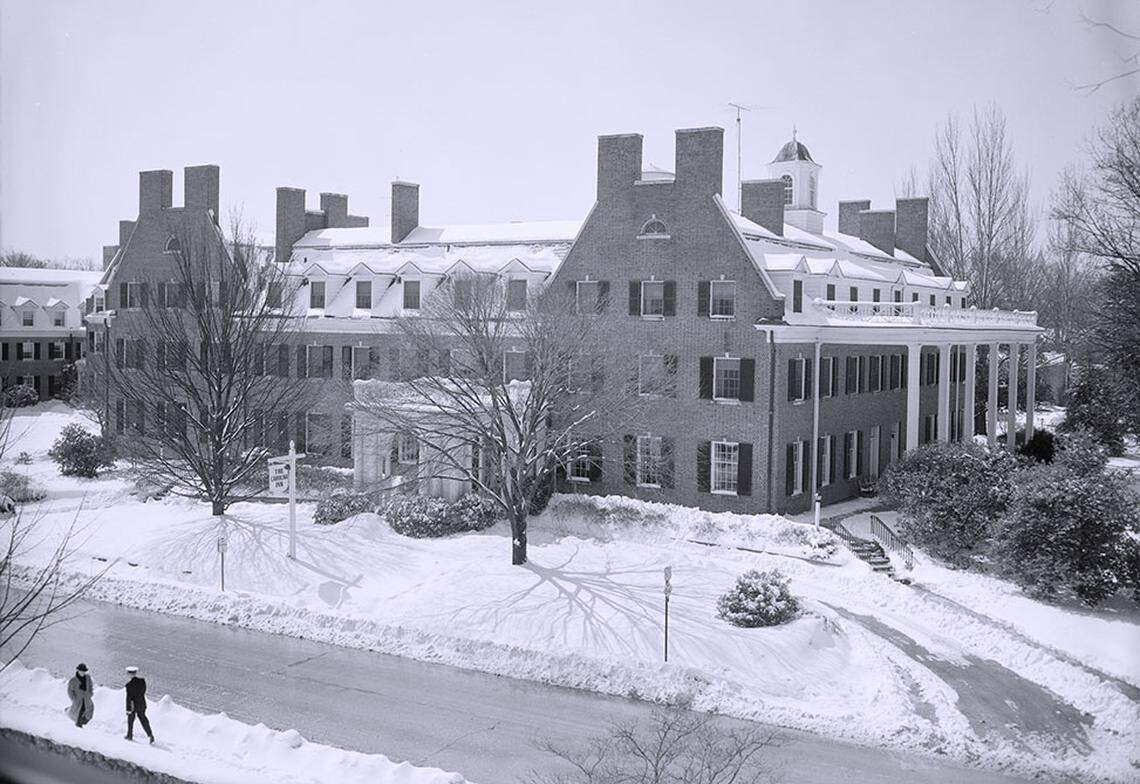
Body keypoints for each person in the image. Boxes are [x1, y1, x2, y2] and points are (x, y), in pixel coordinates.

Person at [124, 666, 154, 744]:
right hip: (142, 703)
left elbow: (129, 698)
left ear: (129, 674)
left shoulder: (129, 685)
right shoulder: (142, 681)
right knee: (143, 720)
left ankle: (129, 735)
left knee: (130, 720)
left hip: (133, 705)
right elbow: (143, 692)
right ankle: (150, 735)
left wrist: (128, 709)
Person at [66, 663, 94, 728]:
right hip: (78, 700)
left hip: (87, 698)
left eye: (84, 671)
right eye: (81, 671)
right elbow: (70, 691)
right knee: (80, 712)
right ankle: (78, 725)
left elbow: (90, 686)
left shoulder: (88, 677)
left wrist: (90, 693)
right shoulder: (73, 680)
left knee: (90, 710)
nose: (83, 673)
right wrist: (74, 699)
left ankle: (82, 722)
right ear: (78, 671)